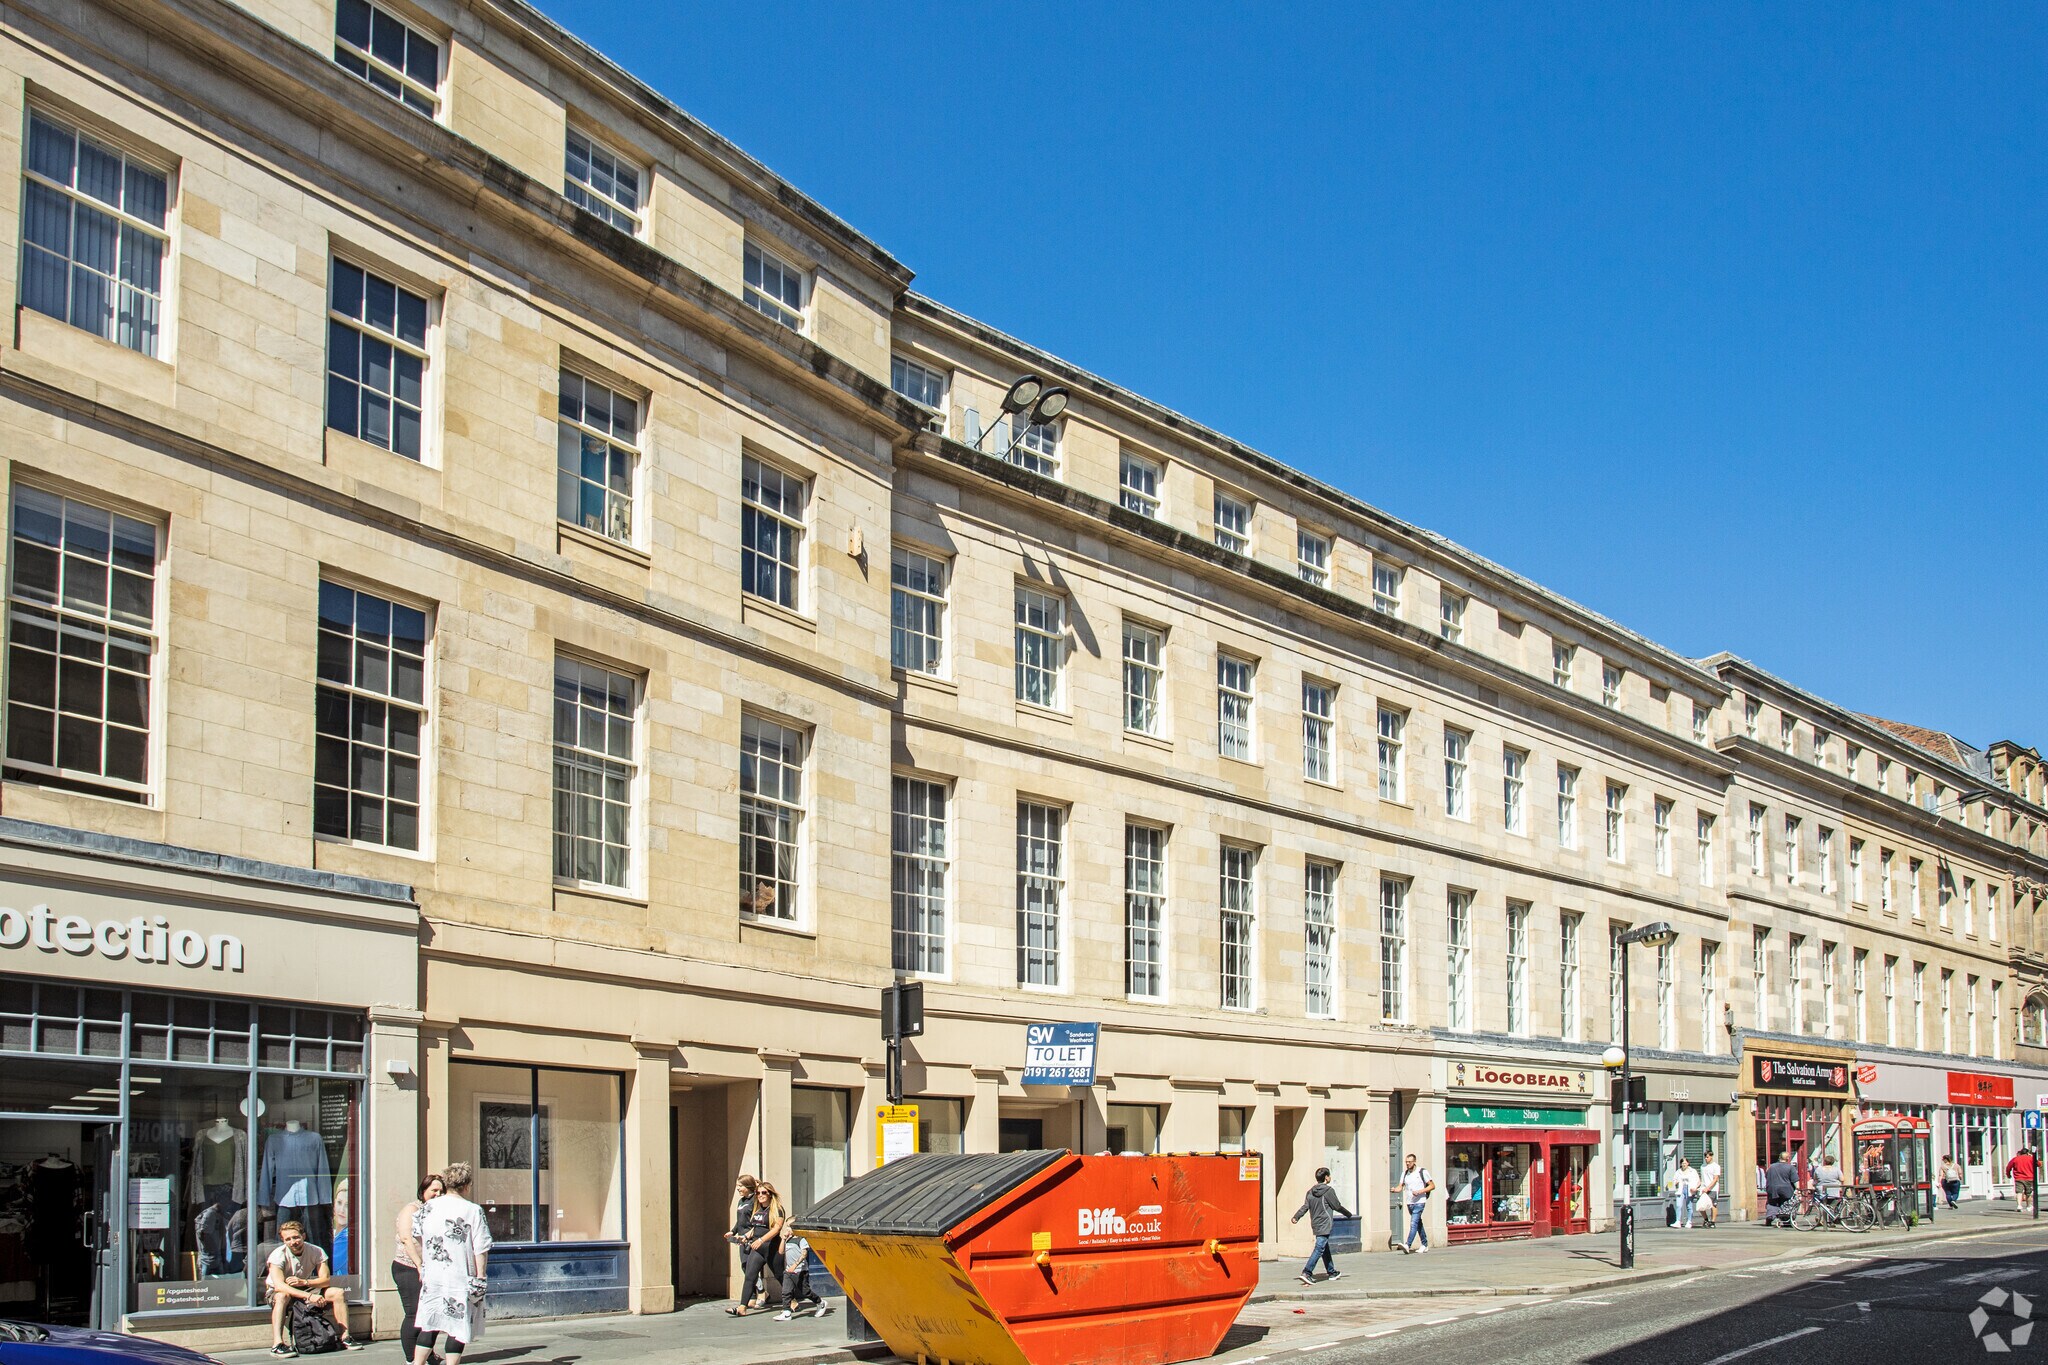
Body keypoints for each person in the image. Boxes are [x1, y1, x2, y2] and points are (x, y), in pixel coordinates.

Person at [411, 1163, 492, 1365]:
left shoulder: (427, 1208)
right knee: (458, 1326)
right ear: (466, 1185)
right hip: (461, 1275)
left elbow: (417, 1236)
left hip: (434, 1276)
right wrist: (480, 1276)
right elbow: (481, 1247)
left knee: (430, 1324)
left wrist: (426, 1261)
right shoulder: (473, 1210)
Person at [265, 1219, 365, 1356]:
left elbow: (325, 1280)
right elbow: (279, 1285)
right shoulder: (277, 1255)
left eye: (296, 1237)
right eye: (288, 1239)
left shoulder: (316, 1251)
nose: (293, 1242)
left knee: (338, 1293)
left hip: (304, 1287)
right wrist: (310, 1296)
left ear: (303, 1236)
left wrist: (304, 1282)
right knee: (283, 1296)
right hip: (280, 1291)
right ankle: (277, 1344)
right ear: (283, 1240)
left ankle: (345, 1337)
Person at [393, 1173, 445, 1364]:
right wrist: (419, 1265)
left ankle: (427, 1354)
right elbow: (407, 1239)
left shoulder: (439, 1211)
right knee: (415, 1313)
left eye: (441, 1191)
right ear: (423, 1191)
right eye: (434, 1190)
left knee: (432, 1314)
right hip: (408, 1267)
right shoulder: (412, 1209)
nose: (438, 1194)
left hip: (433, 1269)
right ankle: (411, 1360)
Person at [727, 1182, 787, 1316]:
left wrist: (761, 1240)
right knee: (750, 1276)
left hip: (772, 1247)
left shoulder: (777, 1209)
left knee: (779, 1275)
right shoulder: (758, 1209)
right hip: (757, 1248)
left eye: (764, 1192)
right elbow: (755, 1228)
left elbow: (777, 1229)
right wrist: (745, 1236)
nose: (760, 1195)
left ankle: (792, 1300)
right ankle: (742, 1307)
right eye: (758, 1193)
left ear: (770, 1194)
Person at [1290, 1166, 1354, 1284]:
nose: (1330, 1177)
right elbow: (1337, 1206)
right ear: (1326, 1177)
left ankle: (1331, 1272)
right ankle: (1307, 1272)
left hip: (1315, 1223)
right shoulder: (1328, 1191)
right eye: (1329, 1175)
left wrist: (1296, 1217)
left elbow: (1305, 1206)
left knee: (1324, 1247)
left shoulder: (1310, 1191)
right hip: (1325, 1223)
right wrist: (1348, 1214)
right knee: (1319, 1248)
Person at [773, 1231, 828, 1320]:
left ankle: (820, 1302)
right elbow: (781, 1252)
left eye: (789, 1227)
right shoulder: (788, 1239)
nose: (788, 1229)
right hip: (788, 1271)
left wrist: (794, 1265)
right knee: (786, 1292)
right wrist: (783, 1239)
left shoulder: (801, 1240)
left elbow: (804, 1254)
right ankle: (786, 1313)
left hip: (800, 1270)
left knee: (805, 1291)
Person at [1391, 1153, 1434, 1254]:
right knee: (1418, 1223)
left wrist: (1420, 1191)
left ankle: (1407, 1244)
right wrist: (1394, 1190)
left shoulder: (1422, 1172)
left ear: (1414, 1162)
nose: (1407, 1164)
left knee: (1413, 1223)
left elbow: (1432, 1186)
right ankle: (1424, 1244)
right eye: (1406, 1162)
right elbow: (1400, 1187)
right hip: (1410, 1203)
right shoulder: (1405, 1173)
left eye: (1409, 1162)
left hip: (1420, 1202)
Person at [1763, 1151, 1799, 1228]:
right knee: (1786, 1204)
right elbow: (1795, 1180)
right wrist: (1797, 1189)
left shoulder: (1771, 1167)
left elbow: (1766, 1176)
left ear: (1779, 1157)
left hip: (1772, 1188)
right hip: (1786, 1189)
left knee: (1772, 1203)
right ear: (1788, 1158)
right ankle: (1786, 1219)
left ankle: (1770, 1217)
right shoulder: (1790, 1168)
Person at [1667, 1157, 1700, 1229]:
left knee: (1689, 1206)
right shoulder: (1678, 1172)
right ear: (1681, 1164)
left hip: (1689, 1189)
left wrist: (1695, 1188)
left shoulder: (1693, 1171)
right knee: (1678, 1205)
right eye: (1682, 1163)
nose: (1684, 1164)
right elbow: (1674, 1180)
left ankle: (1689, 1221)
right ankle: (1678, 1221)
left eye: (1685, 1163)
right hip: (1681, 1189)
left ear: (1688, 1163)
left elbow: (1698, 1181)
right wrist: (1676, 1182)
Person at [2006, 1147, 2038, 1214]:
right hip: (2029, 1178)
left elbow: (2008, 1167)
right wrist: (2032, 1157)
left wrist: (2008, 1174)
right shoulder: (2031, 1158)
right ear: (2027, 1153)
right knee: (2028, 1193)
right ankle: (2028, 1206)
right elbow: (2039, 1164)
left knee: (2019, 1192)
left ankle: (2019, 1206)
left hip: (2019, 1178)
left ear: (2020, 1153)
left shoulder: (2015, 1159)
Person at [1697, 1149, 1722, 1229]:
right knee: (1700, 1205)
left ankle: (1713, 1222)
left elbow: (1715, 1179)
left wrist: (1708, 1188)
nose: (1706, 1158)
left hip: (1713, 1189)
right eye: (1705, 1157)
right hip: (1704, 1188)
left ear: (1711, 1157)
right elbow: (1702, 1178)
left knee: (1713, 1205)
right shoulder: (1702, 1166)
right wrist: (1698, 1187)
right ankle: (1706, 1219)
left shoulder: (1716, 1166)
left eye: (1707, 1157)